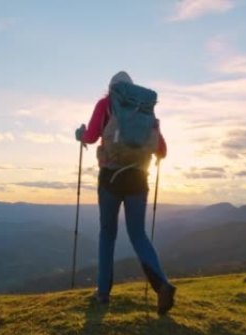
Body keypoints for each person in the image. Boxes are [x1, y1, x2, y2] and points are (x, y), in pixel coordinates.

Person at [75, 71, 176, 315]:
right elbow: (161, 149)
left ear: (111, 88)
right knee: (138, 234)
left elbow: (90, 136)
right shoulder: (144, 110)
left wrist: (80, 134)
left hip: (110, 178)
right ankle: (162, 285)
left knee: (107, 235)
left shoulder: (107, 104)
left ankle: (102, 293)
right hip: (138, 180)